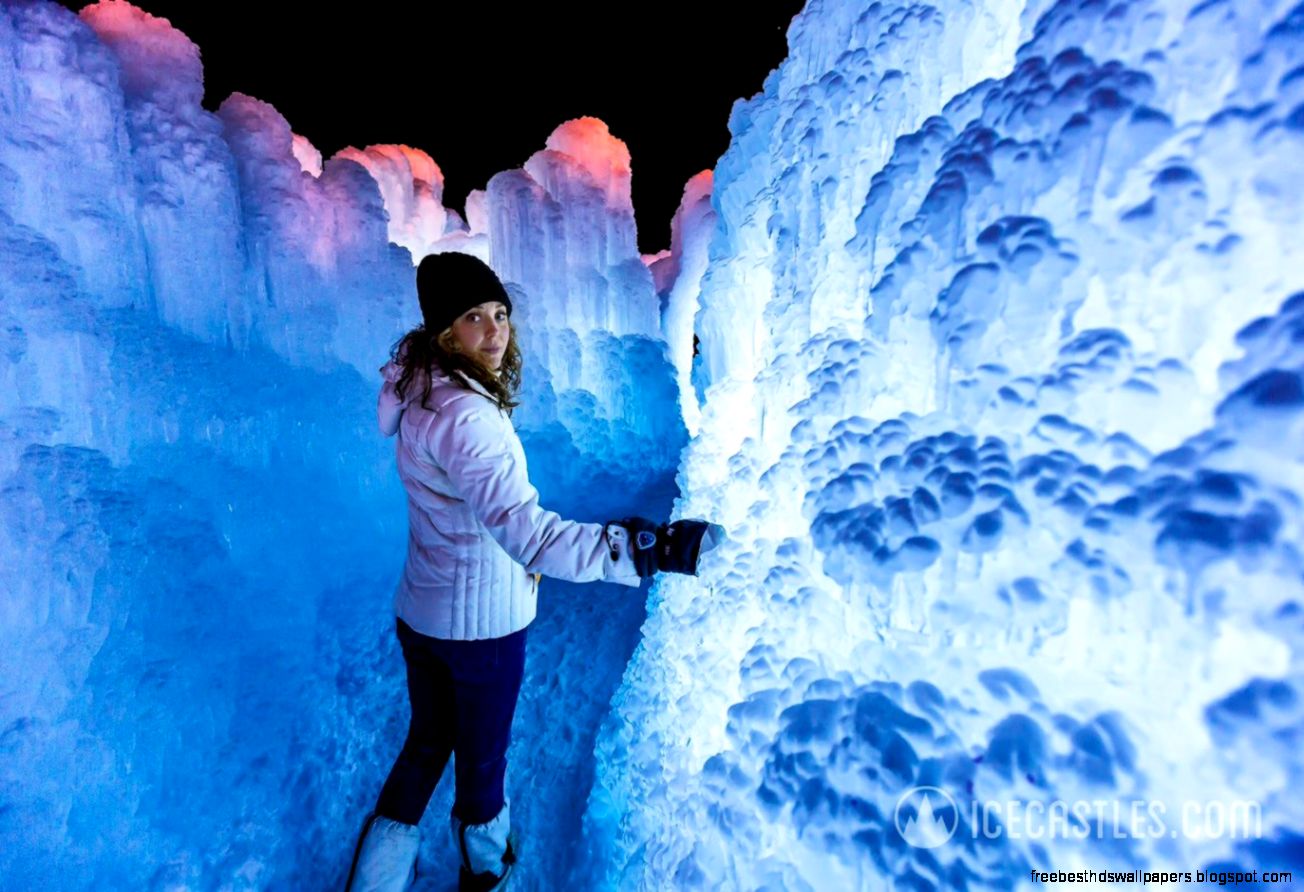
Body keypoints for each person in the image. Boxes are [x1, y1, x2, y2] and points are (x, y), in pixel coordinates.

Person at [345, 252, 719, 892]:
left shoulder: (419, 390)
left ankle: (373, 881)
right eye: (473, 317)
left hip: (423, 615)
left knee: (428, 741)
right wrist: (643, 547)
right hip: (481, 632)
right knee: (482, 763)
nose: (495, 332)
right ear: (444, 331)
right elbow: (529, 535)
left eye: (500, 314)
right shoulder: (467, 416)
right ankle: (486, 874)